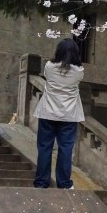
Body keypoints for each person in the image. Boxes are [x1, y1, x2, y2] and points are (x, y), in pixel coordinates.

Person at [32, 38, 85, 189]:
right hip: (68, 115)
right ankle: (64, 183)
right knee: (66, 148)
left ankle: (41, 182)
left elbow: (48, 76)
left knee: (44, 147)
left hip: (48, 112)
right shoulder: (79, 71)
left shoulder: (49, 66)